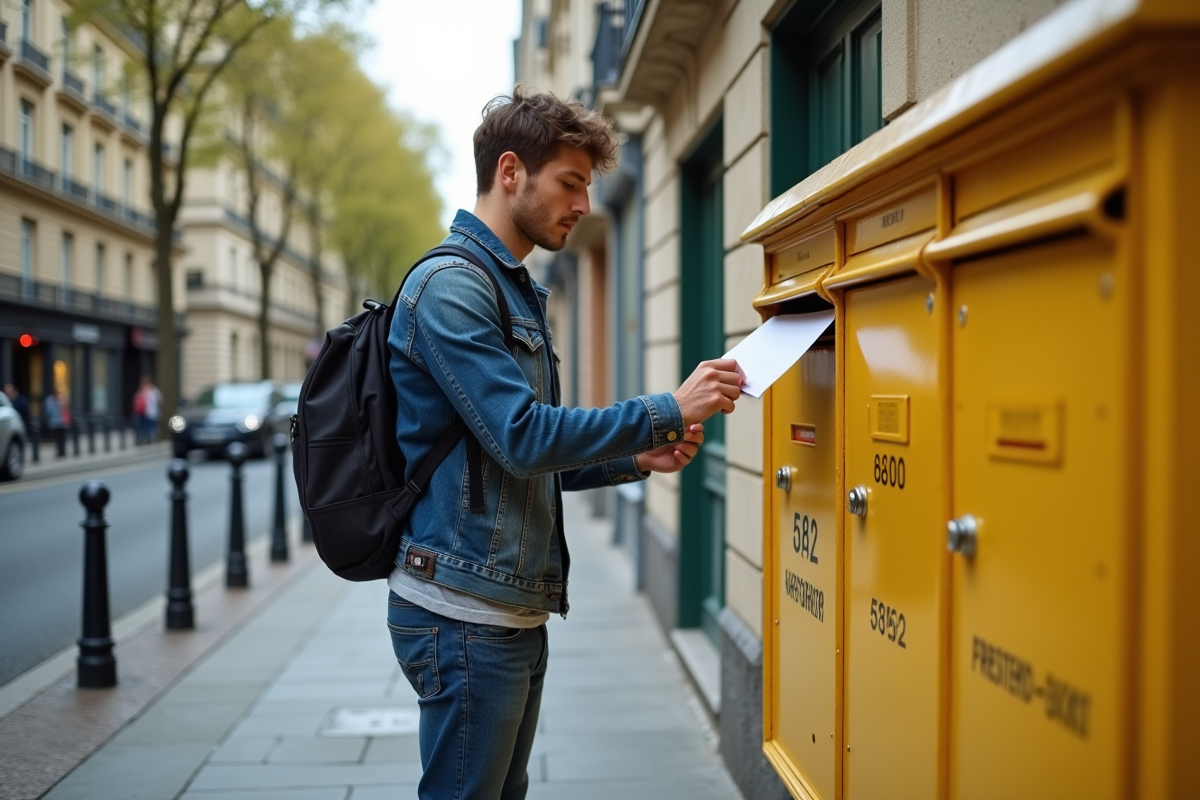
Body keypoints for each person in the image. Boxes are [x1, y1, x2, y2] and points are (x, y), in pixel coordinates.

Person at [386, 86, 744, 800]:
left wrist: (633, 457)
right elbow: (522, 437)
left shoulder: (512, 288)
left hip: (506, 607)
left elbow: (514, 458)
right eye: (571, 183)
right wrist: (664, 410)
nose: (584, 204)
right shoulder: (452, 288)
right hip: (462, 610)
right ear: (511, 172)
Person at [133, 376, 162, 444]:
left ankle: (152, 439)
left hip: (152, 413)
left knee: (151, 427)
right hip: (145, 412)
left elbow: (160, 400)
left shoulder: (153, 390)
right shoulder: (143, 390)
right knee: (145, 427)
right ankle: (145, 439)